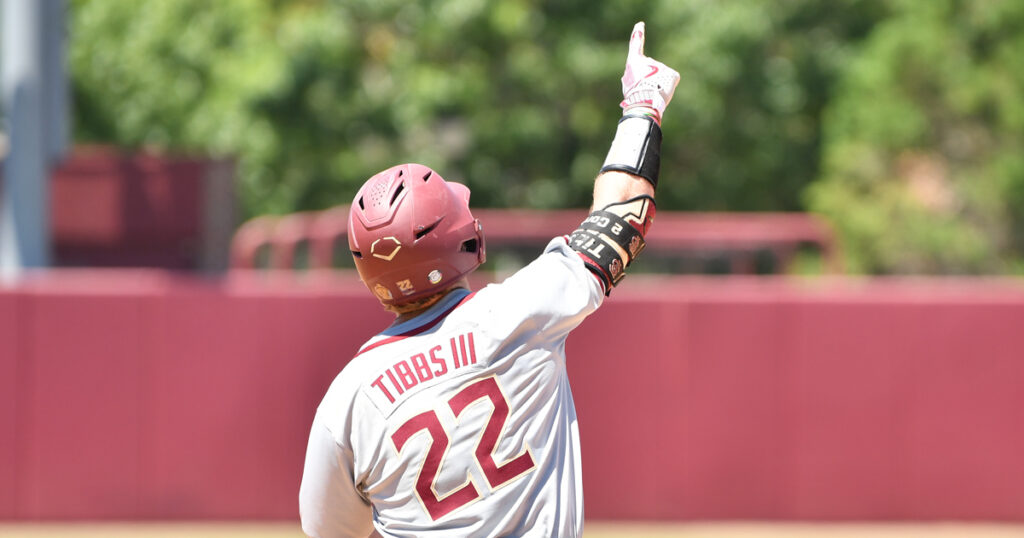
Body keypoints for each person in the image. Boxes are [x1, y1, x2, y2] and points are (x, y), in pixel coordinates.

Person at [299, 21, 679, 538]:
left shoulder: (348, 399)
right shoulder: (520, 312)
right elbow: (625, 213)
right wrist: (643, 102)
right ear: (462, 240)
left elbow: (330, 532)